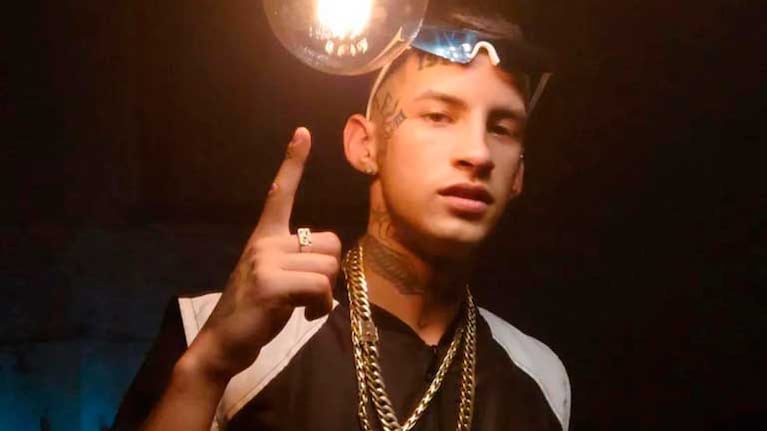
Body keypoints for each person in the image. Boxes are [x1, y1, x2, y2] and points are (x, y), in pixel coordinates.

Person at [112, 4, 571, 431]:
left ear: (518, 174)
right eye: (438, 116)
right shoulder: (221, 333)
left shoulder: (541, 377)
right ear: (364, 145)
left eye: (501, 128)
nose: (478, 153)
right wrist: (207, 366)